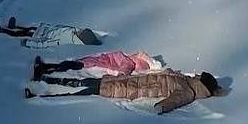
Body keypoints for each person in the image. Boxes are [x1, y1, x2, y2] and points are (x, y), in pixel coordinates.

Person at [25, 69, 225, 115]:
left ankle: (41, 96)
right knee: (83, 82)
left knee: (84, 91)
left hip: (125, 89)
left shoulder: (187, 91)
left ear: (201, 82)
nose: (197, 74)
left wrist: (161, 107)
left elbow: (173, 101)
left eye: (200, 76)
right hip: (123, 80)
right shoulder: (185, 79)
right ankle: (47, 78)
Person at [32, 51, 160, 81]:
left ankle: (44, 69)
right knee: (68, 66)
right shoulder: (126, 58)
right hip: (95, 62)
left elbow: (125, 69)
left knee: (68, 66)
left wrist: (122, 75)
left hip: (94, 65)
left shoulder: (128, 62)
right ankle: (45, 69)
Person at [0, 16, 103, 46]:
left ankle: (1, 31)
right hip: (44, 30)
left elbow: (49, 43)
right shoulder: (73, 32)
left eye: (82, 32)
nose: (80, 30)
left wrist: (31, 43)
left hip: (41, 36)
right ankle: (13, 26)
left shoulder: (68, 39)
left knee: (20, 34)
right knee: (27, 29)